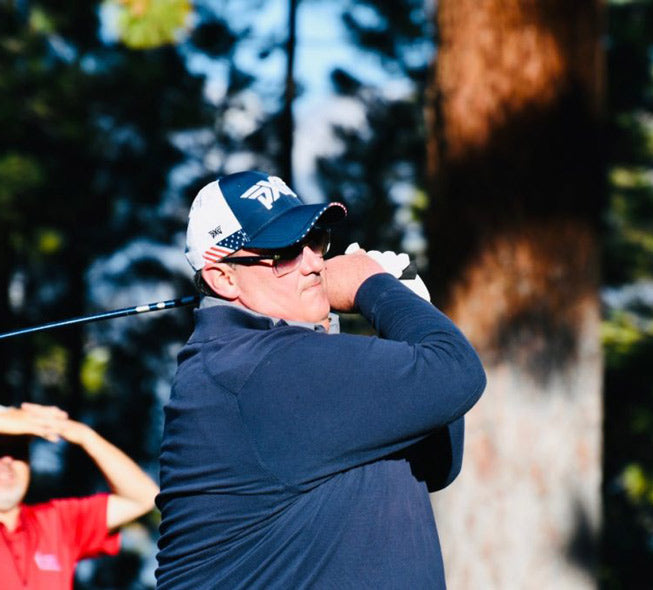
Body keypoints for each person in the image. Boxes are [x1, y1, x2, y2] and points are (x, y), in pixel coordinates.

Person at [155, 170, 486, 588]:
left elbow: (437, 462)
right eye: (285, 252)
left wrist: (407, 314)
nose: (314, 263)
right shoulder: (250, 370)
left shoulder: (279, 359)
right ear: (224, 276)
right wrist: (373, 285)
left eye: (315, 240)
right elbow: (456, 371)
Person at [0, 402, 159, 589]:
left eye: (17, 451)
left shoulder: (55, 522)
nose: (7, 461)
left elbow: (142, 497)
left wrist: (82, 434)